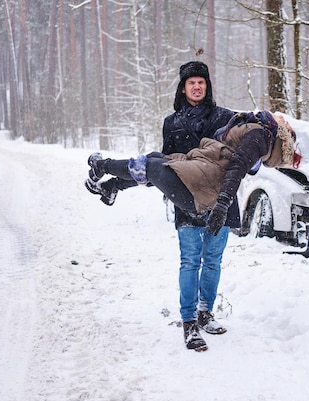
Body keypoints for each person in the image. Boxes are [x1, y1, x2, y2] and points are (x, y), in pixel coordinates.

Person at [85, 110, 297, 351]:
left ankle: (105, 171)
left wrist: (223, 203)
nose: (284, 120)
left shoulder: (257, 135)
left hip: (206, 188)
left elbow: (236, 165)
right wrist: (222, 201)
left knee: (154, 167)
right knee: (155, 163)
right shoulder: (258, 133)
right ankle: (109, 179)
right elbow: (234, 161)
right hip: (203, 183)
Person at [86, 61, 235, 352]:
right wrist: (130, 183)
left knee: (214, 260)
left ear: (208, 86)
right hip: (188, 199)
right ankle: (189, 322)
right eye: (191, 82)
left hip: (220, 199)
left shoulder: (224, 118)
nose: (197, 87)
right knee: (191, 260)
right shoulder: (173, 122)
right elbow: (161, 171)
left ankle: (206, 312)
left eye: (201, 82)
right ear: (183, 88)